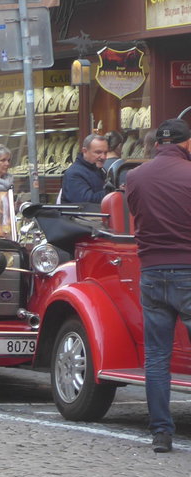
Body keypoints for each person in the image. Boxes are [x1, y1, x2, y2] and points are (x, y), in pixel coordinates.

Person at [124, 117, 191, 453]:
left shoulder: (134, 177)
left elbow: (136, 214)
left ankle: (161, 433)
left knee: (157, 357)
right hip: (188, 269)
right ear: (186, 143)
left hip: (151, 271)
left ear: (157, 144)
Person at [60, 134, 109, 204]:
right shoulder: (74, 174)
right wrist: (111, 192)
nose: (103, 157)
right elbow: (86, 202)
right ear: (85, 151)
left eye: (105, 153)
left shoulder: (99, 169)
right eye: (98, 152)